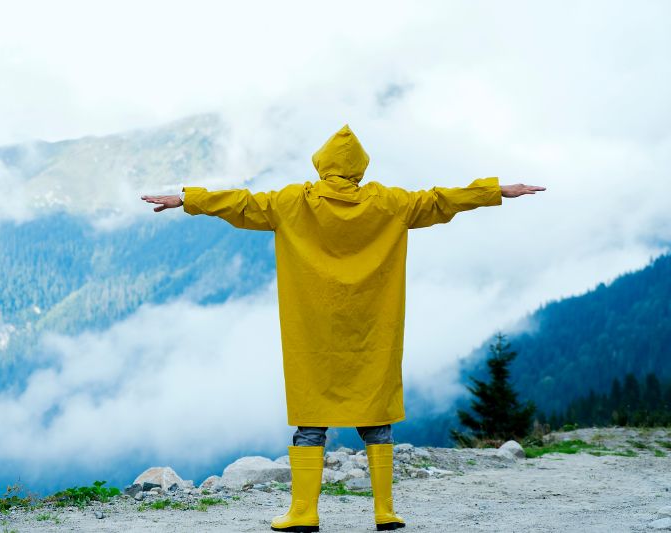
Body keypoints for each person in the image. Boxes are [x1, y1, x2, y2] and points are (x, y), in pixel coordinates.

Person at [141, 124, 545, 532]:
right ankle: (385, 511)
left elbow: (240, 203)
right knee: (375, 419)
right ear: (360, 167)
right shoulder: (389, 203)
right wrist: (495, 191)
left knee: (311, 421)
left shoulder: (292, 202)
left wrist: (186, 198)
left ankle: (304, 512)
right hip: (372, 332)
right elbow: (441, 200)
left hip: (312, 334)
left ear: (321, 164)